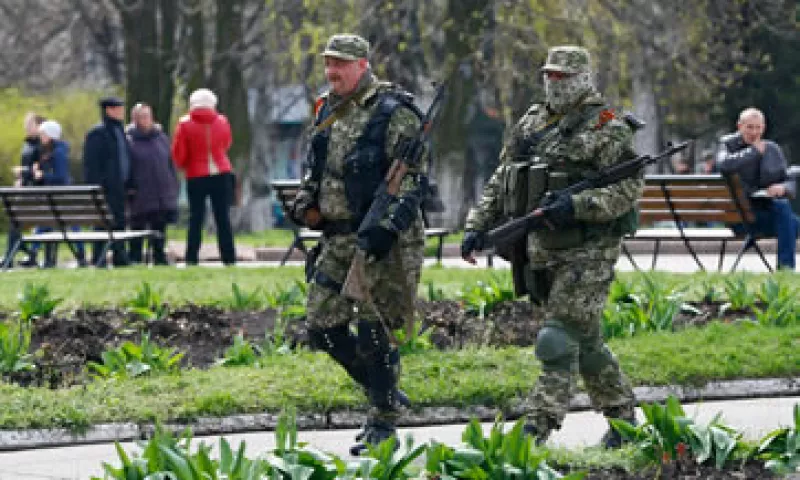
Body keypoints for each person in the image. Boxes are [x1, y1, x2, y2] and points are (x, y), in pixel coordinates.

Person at [461, 46, 641, 448]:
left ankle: (534, 430)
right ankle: (625, 422)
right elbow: (502, 177)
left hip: (589, 250)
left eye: (563, 76)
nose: (554, 82)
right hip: (540, 250)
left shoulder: (608, 125)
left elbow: (628, 187)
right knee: (586, 341)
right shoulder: (532, 120)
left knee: (556, 339)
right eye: (550, 75)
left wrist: (577, 205)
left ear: (582, 78)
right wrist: (477, 226)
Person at [289, 34, 427, 455]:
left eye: (342, 64)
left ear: (363, 65)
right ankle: (382, 392)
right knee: (321, 327)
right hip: (339, 236)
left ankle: (383, 424)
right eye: (329, 63)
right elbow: (318, 167)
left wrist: (387, 228)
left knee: (374, 329)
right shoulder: (327, 108)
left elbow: (413, 179)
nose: (333, 72)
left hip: (384, 239)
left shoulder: (392, 111)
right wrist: (304, 203)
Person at [719, 107, 799, 270]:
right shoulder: (727, 145)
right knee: (785, 213)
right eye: (749, 127)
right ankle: (786, 269)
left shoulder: (772, 148)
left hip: (767, 214)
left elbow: (787, 178)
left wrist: (783, 188)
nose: (754, 132)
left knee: (786, 215)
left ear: (764, 127)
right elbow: (724, 165)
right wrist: (753, 151)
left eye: (758, 127)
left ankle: (785, 269)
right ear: (739, 126)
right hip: (740, 217)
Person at [171, 88, 236, 266]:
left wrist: (183, 165)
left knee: (196, 218)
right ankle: (229, 258)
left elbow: (180, 153)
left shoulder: (185, 124)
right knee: (223, 217)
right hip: (221, 172)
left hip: (196, 174)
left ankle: (192, 258)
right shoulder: (222, 121)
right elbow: (227, 143)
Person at [83, 96, 133, 267]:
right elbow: (92, 165)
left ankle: (120, 257)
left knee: (119, 223)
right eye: (117, 108)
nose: (121, 111)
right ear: (108, 110)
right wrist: (98, 186)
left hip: (120, 187)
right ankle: (99, 258)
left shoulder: (120, 131)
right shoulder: (97, 133)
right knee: (102, 225)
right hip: (106, 188)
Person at [127, 103, 179, 265]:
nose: (145, 120)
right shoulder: (129, 140)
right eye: (141, 116)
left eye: (147, 116)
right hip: (140, 192)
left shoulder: (161, 138)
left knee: (160, 227)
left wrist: (173, 184)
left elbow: (169, 162)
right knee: (138, 227)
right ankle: (135, 257)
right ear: (134, 119)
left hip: (162, 191)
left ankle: (159, 257)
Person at [5, 113, 45, 267]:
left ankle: (12, 255)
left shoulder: (41, 146)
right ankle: (23, 253)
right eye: (26, 123)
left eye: (30, 123)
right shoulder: (27, 144)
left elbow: (39, 171)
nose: (26, 126)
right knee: (14, 221)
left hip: (36, 193)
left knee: (15, 221)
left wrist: (23, 171)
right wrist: (20, 179)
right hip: (25, 190)